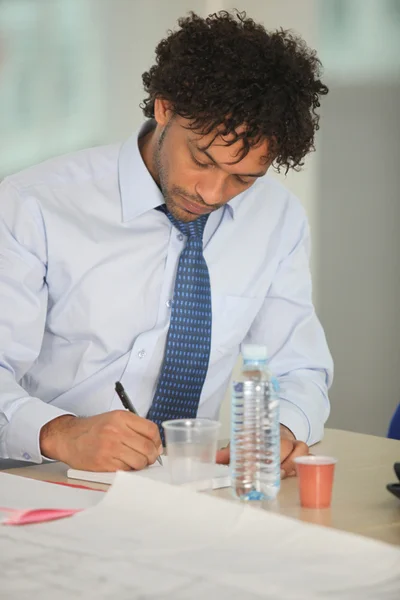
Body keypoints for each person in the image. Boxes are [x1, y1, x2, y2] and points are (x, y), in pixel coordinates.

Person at [0, 11, 333, 477]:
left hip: (187, 490)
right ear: (164, 108)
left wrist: (283, 429)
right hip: (36, 481)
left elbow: (300, 369)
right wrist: (57, 431)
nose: (212, 194)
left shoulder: (276, 219)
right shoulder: (34, 207)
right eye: (201, 160)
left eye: (243, 178)